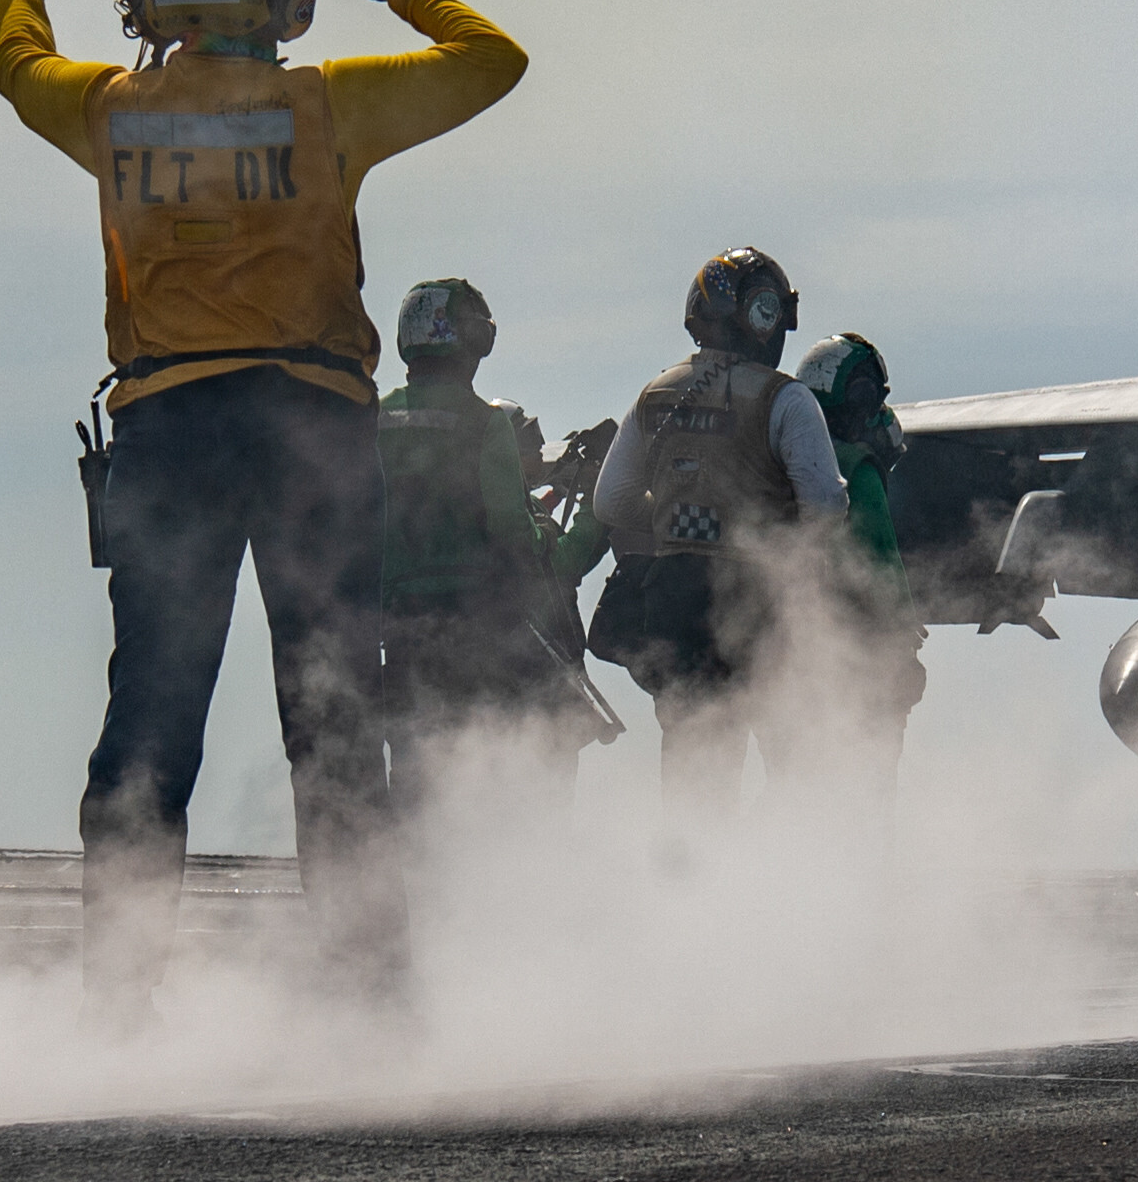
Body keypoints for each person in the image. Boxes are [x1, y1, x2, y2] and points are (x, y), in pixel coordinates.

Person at [0, 0, 525, 1032]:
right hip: (309, 427)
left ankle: (118, 1009)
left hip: (167, 433)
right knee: (334, 722)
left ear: (153, 2)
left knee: (148, 724)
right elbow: (493, 61)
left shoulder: (111, 111)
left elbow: (19, 67)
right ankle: (369, 1002)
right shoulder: (325, 107)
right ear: (279, 0)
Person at [590, 249, 848, 829]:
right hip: (762, 600)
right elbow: (826, 506)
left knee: (694, 766)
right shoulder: (787, 399)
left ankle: (691, 873)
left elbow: (611, 501)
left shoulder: (655, 395)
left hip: (675, 603)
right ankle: (779, 868)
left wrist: (675, 520)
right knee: (795, 762)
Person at [375, 279, 611, 826]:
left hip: (398, 621)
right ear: (470, 341)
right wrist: (547, 538)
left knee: (414, 766)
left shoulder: (377, 418)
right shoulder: (486, 422)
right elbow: (510, 532)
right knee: (479, 764)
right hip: (473, 624)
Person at [787, 332, 928, 836]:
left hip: (790, 651)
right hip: (859, 655)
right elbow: (882, 566)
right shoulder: (857, 470)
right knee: (870, 782)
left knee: (798, 784)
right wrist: (903, 654)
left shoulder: (786, 460)